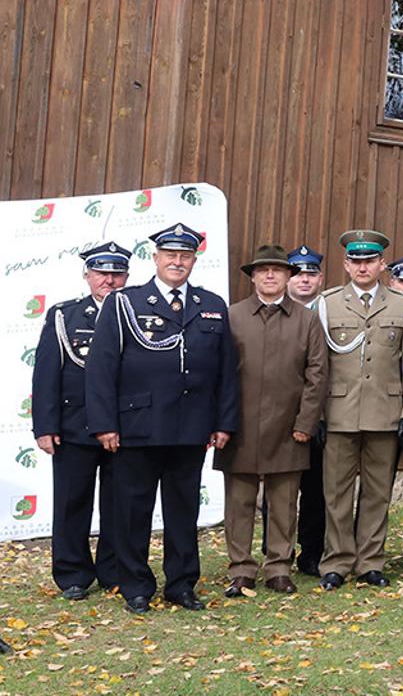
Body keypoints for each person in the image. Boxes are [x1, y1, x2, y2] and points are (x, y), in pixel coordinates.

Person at [87, 223, 240, 613]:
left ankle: (181, 584)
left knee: (183, 512)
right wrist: (105, 424)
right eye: (170, 255)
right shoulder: (125, 302)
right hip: (138, 426)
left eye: (185, 256)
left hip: (191, 427)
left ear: (193, 260)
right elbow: (102, 369)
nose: (178, 262)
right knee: (133, 511)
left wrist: (223, 422)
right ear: (155, 259)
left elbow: (226, 371)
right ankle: (135, 586)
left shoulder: (211, 304)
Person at [314, 229, 403, 591]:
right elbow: (318, 364)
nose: (363, 267)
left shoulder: (402, 304)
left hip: (385, 411)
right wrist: (316, 414)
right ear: (346, 265)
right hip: (339, 411)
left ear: (381, 264)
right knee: (336, 492)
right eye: (356, 261)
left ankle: (369, 561)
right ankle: (337, 560)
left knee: (378, 491)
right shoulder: (327, 303)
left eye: (370, 261)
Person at [218, 245, 328, 598]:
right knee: (240, 504)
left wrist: (305, 423)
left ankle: (279, 567)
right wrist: (222, 423)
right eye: (263, 270)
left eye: (277, 270)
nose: (270, 275)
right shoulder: (232, 316)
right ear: (252, 276)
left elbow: (317, 374)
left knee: (284, 503)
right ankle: (241, 569)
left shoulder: (307, 319)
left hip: (288, 426)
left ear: (289, 277)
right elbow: (218, 373)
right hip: (241, 427)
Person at [32, 242, 130, 601]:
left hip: (124, 428)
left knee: (119, 504)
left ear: (127, 276)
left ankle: (114, 570)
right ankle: (72, 574)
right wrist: (45, 426)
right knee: (73, 502)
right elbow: (46, 375)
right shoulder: (65, 315)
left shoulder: (137, 314)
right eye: (102, 273)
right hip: (74, 426)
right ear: (87, 275)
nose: (110, 280)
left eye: (117, 273)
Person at [284, 244, 328, 577]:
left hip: (320, 417)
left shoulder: (330, 311)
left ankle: (311, 552)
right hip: (279, 416)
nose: (303, 280)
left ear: (320, 278)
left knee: (315, 491)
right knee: (278, 491)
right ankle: (277, 552)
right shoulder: (272, 310)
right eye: (297, 273)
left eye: (310, 273)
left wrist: (321, 416)